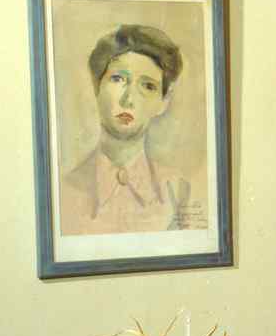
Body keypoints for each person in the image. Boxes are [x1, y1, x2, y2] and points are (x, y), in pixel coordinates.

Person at [58, 23, 193, 236]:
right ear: (97, 86)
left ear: (163, 102)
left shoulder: (178, 192)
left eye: (148, 86)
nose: (128, 99)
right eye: (118, 79)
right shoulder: (63, 191)